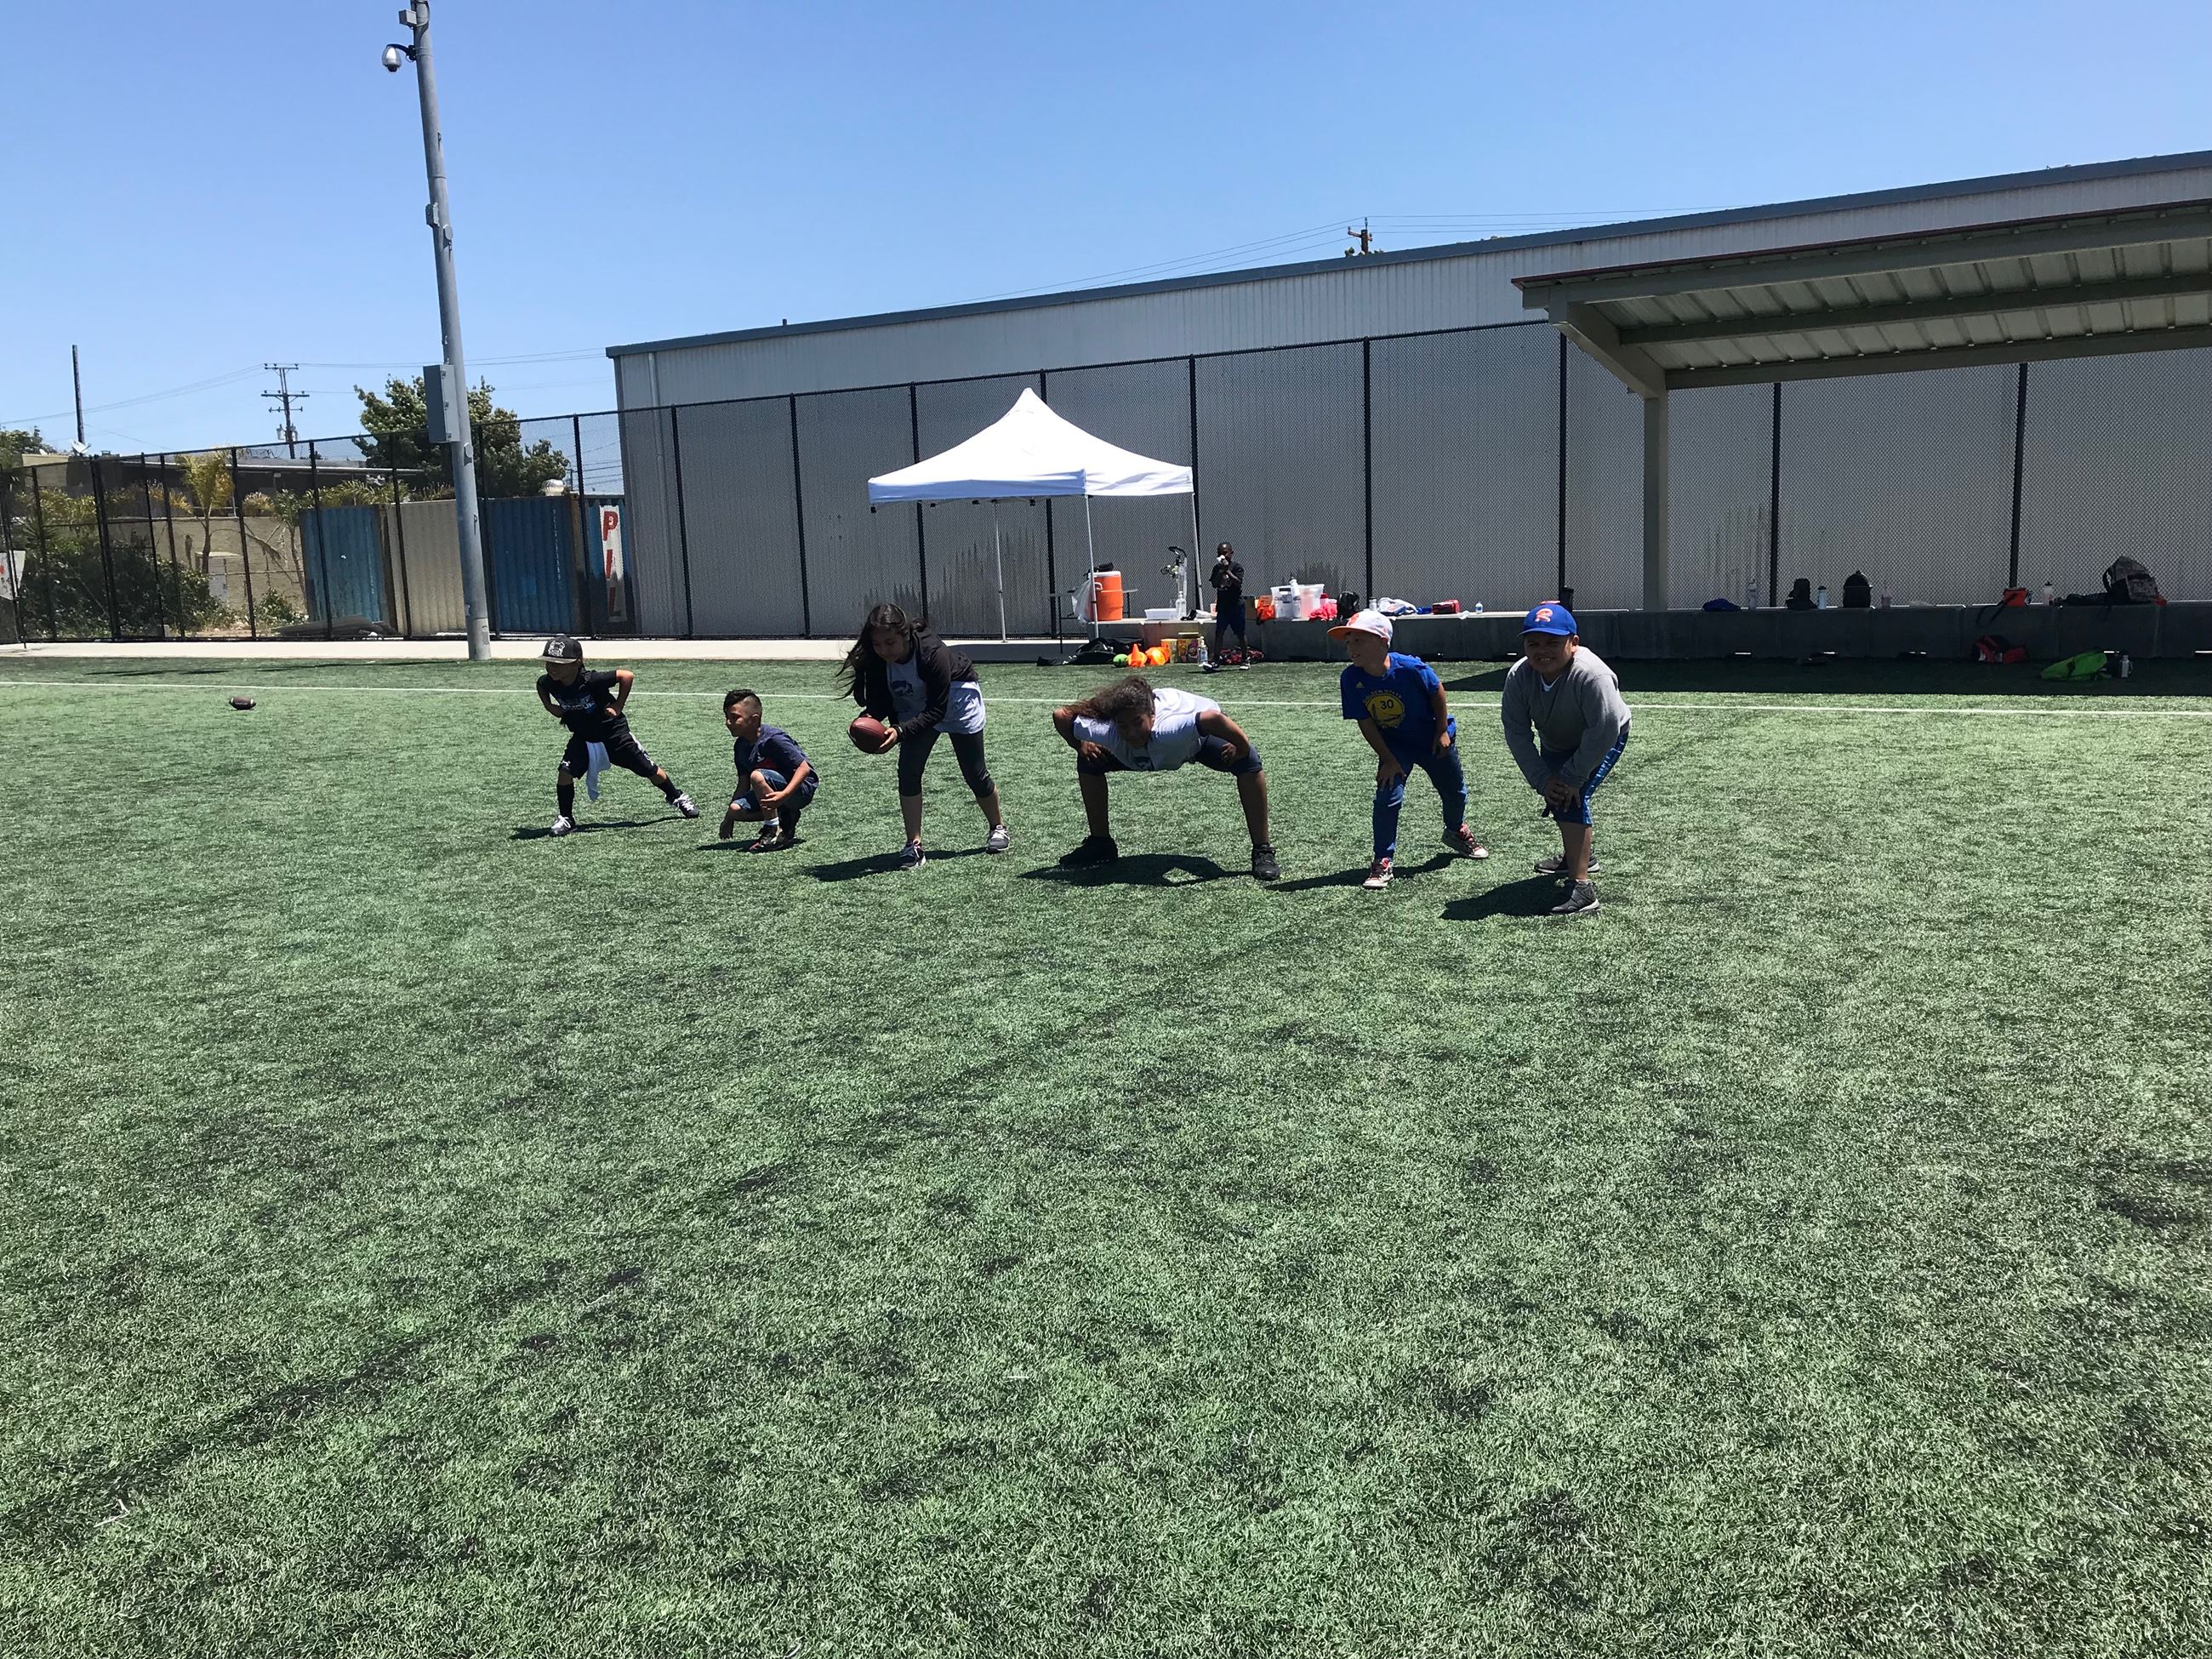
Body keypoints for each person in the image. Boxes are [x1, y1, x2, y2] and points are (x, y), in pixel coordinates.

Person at [1051, 674, 1280, 881]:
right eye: (1123, 725)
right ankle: (1101, 844)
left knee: (1249, 759)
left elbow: (1214, 720)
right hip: (1148, 749)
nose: (1130, 733)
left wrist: (1241, 746)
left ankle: (1262, 849)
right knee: (1089, 759)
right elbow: (1061, 716)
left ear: (1152, 715)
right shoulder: (1110, 731)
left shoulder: (1171, 729)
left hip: (1195, 743)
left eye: (1137, 723)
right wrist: (1080, 745)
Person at [840, 601, 1008, 869]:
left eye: (890, 643)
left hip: (956, 697)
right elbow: (882, 702)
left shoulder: (933, 653)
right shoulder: (879, 660)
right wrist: (867, 721)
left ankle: (998, 826)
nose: (884, 650)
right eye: (878, 644)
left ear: (905, 635)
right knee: (908, 771)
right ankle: (914, 846)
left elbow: (937, 710)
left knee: (974, 772)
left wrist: (900, 730)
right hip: (920, 702)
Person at [1330, 608, 1488, 890]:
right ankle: (1383, 860)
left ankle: (1455, 830)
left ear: (1382, 642)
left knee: (1454, 791)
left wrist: (1441, 732)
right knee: (1387, 797)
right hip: (1395, 745)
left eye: (1359, 640)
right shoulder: (1349, 679)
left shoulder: (1411, 668)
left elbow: (1437, 691)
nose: (1351, 648)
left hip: (1431, 739)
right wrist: (1388, 760)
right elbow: (1365, 723)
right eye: (1349, 642)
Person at [1499, 602, 1629, 917]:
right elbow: (1516, 732)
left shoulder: (1592, 674)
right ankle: (1579, 857)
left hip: (1603, 736)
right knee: (1558, 795)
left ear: (1574, 642)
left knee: (1572, 798)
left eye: (1553, 642)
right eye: (1534, 643)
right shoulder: (1519, 675)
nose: (1542, 650)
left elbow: (1604, 729)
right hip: (1556, 740)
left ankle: (1582, 888)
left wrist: (1572, 775)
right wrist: (1543, 779)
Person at [534, 636, 698, 837]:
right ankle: (566, 818)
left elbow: (626, 675)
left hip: (614, 735)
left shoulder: (592, 680)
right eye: (549, 662)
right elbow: (540, 684)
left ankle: (676, 796)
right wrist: (550, 707)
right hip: (584, 737)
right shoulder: (550, 683)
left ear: (577, 662)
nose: (552, 668)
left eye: (559, 663)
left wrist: (618, 705)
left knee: (650, 770)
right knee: (565, 773)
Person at [719, 688, 816, 852]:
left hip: (800, 791)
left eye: (734, 717)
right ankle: (785, 815)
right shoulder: (740, 746)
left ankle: (773, 829)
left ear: (754, 719)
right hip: (773, 792)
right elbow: (743, 784)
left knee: (757, 776)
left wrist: (783, 796)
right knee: (735, 810)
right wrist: (728, 819)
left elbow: (804, 768)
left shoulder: (774, 739)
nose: (728, 722)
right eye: (727, 717)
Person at [1208, 541, 1247, 664]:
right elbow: (1214, 584)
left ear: (1231, 553)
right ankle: (1215, 660)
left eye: (1225, 553)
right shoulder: (1216, 568)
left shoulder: (1237, 567)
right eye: (1220, 554)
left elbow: (1238, 582)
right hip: (1223, 606)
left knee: (1240, 633)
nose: (1223, 556)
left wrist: (1228, 571)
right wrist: (1221, 571)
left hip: (1236, 605)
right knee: (1219, 633)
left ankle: (1245, 659)